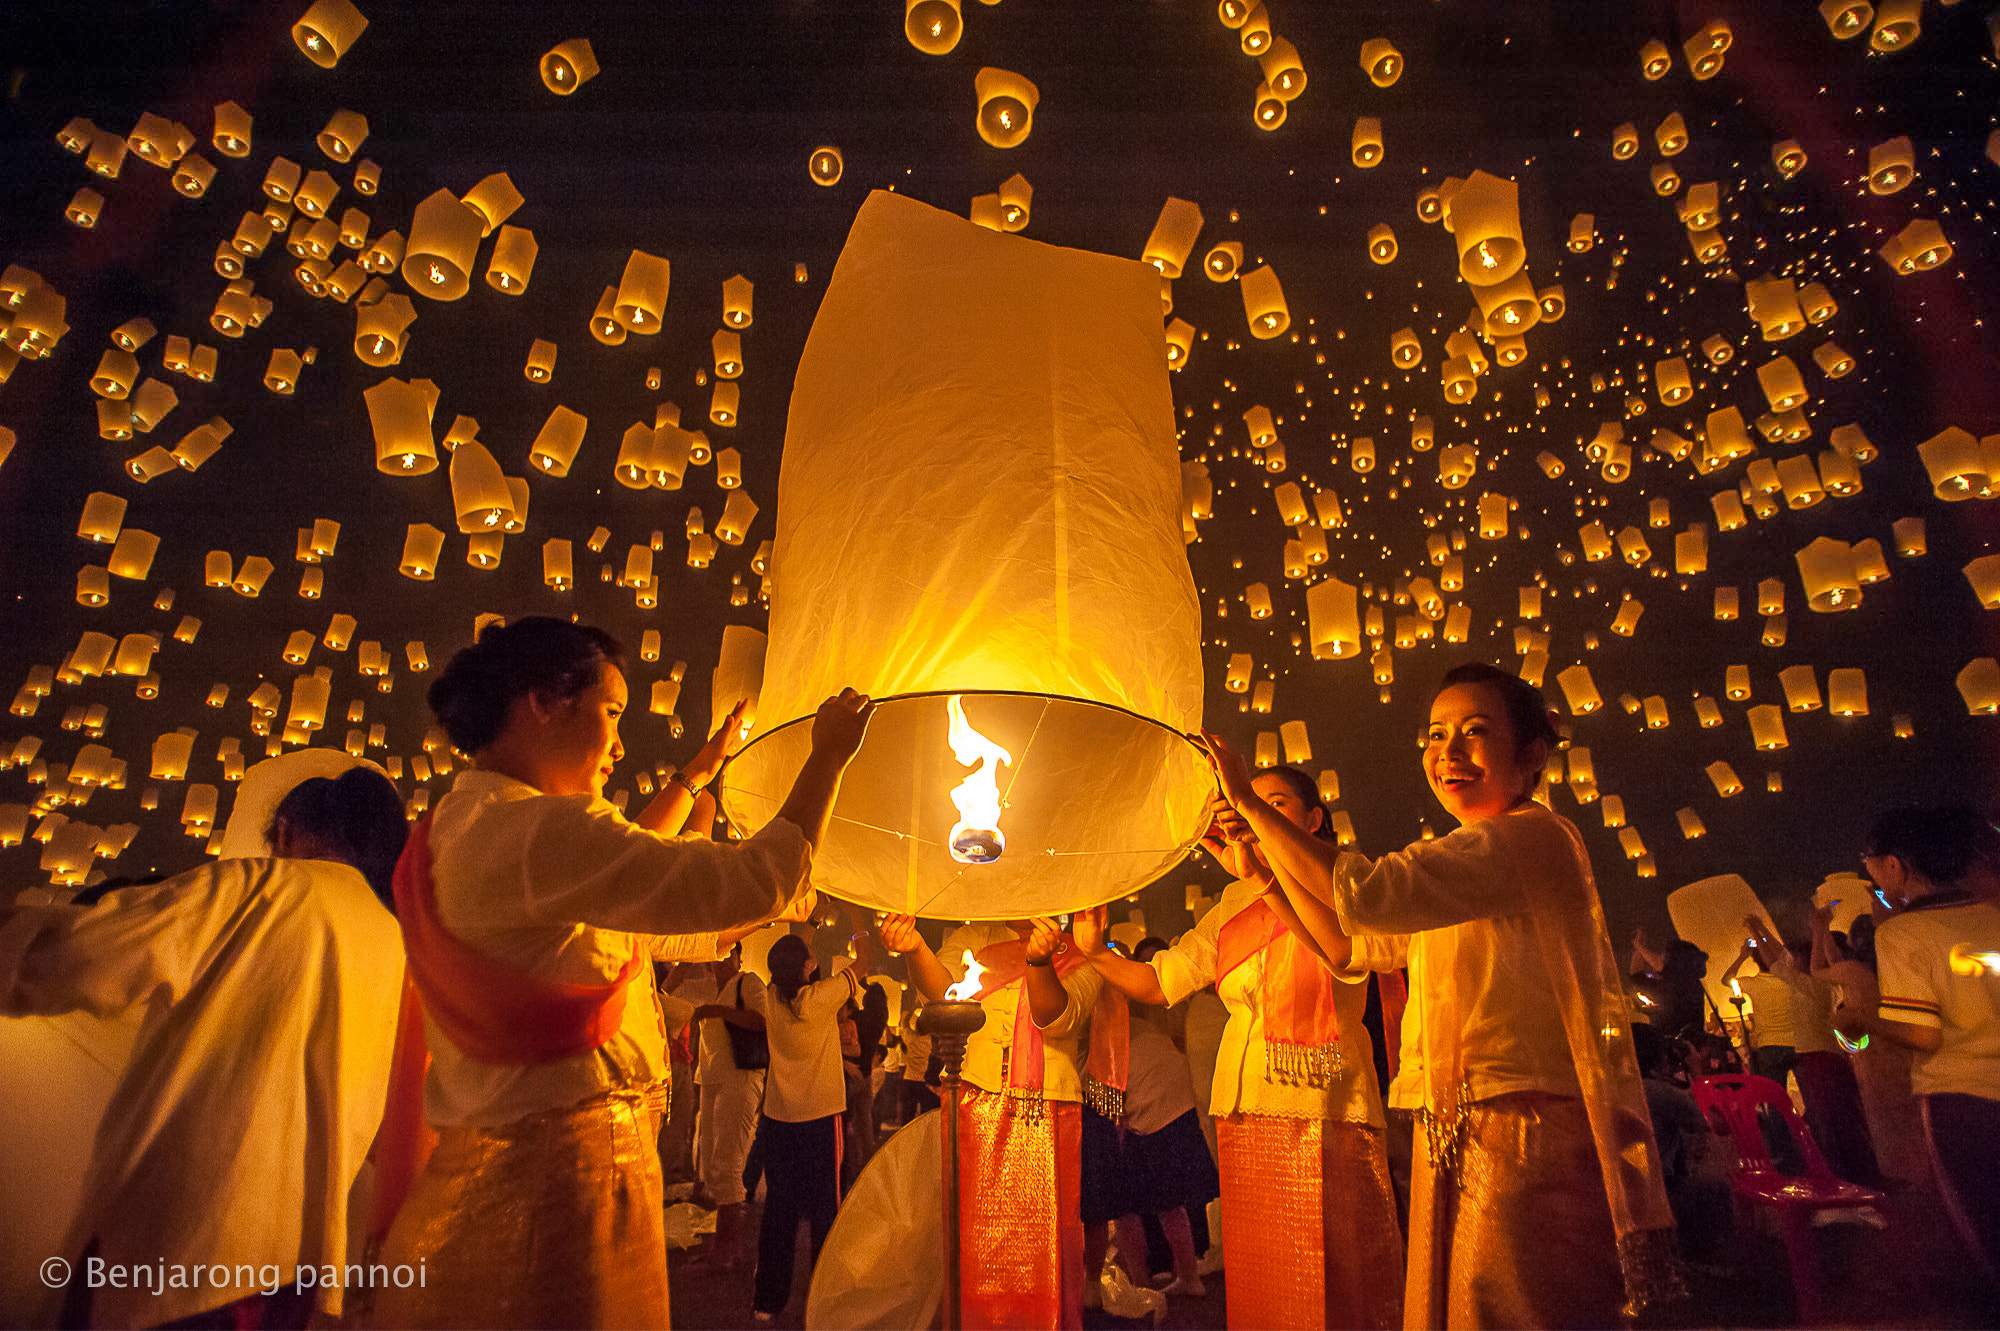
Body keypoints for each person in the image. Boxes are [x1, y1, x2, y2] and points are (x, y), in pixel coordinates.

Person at [367, 616, 873, 1329]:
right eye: (610, 712)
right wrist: (828, 756)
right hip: (556, 1193)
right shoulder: (533, 830)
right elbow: (751, 877)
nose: (618, 742)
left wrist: (703, 767)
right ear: (543, 702)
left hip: (506, 1179)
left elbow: (638, 889)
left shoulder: (469, 821)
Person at [1206, 662, 1678, 1329]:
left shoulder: (1533, 837)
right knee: (1454, 1305)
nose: (1447, 752)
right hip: (1459, 1127)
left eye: (1474, 731)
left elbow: (1368, 893)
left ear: (1532, 753)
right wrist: (1262, 876)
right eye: (1436, 733)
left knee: (1512, 1307)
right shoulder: (1469, 858)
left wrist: (1252, 808)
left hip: (1524, 1128)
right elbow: (1350, 946)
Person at [0, 766, 408, 1330]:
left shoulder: (254, 888)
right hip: (297, 1264)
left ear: (285, 832)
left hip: (186, 1238)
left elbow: (85, 955)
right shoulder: (397, 945)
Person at [1074, 766, 1403, 1330]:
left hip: (1329, 1101)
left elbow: (1355, 951)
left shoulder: (1346, 881)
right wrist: (1098, 954)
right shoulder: (1229, 903)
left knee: (1340, 1266)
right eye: (1246, 803)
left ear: (1313, 820)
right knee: (1267, 1268)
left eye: (1271, 804)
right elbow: (1161, 981)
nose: (1251, 815)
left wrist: (1269, 882)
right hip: (1245, 1102)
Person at [881, 913, 1108, 1330]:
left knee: (1046, 1241)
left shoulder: (1081, 951)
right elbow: (942, 993)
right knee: (976, 1240)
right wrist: (914, 947)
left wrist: (1039, 961)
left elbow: (1055, 1018)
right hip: (975, 1096)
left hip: (1049, 1106)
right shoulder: (976, 936)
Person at [1835, 806, 2000, 1289]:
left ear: (1895, 865)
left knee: (1985, 1231)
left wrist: (1856, 1017)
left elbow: (1922, 1033)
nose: (1869, 872)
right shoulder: (1992, 915)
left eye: (1869, 863)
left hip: (1963, 1100)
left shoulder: (1904, 933)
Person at [752, 933, 861, 1323]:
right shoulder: (819, 999)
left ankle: (767, 1300)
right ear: (806, 968)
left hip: (779, 1118)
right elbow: (860, 965)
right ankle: (824, 1298)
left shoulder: (769, 999)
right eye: (810, 958)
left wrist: (804, 937)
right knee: (825, 1211)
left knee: (779, 1211)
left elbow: (789, 967)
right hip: (820, 1117)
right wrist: (862, 929)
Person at [686, 942, 768, 1267]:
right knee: (711, 1164)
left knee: (729, 1162)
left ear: (738, 957)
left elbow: (763, 1021)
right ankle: (721, 1249)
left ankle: (726, 1252)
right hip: (712, 1078)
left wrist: (718, 1012)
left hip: (741, 1076)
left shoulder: (748, 983)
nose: (721, 961)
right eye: (715, 956)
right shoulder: (708, 989)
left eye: (727, 954)